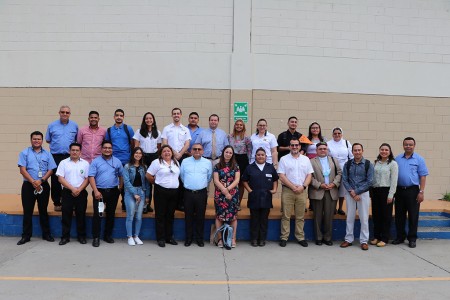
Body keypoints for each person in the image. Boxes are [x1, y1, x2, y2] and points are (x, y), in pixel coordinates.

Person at [17, 131, 57, 245]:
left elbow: (51, 170)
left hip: (43, 185)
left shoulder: (48, 154)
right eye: (34, 139)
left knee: (43, 210)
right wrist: (33, 181)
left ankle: (46, 234)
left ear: (42, 140)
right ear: (31, 140)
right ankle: (26, 236)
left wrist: (41, 180)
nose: (36, 141)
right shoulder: (24, 153)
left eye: (39, 139)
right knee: (28, 211)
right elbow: (22, 170)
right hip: (28, 186)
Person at [393, 137, 428, 248]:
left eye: (410, 144)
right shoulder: (397, 159)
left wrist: (421, 191)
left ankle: (412, 238)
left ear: (414, 145)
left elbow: (423, 176)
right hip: (399, 190)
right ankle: (400, 237)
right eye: (406, 144)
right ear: (403, 145)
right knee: (399, 215)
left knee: (413, 215)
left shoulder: (419, 159)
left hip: (413, 191)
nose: (408, 146)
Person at [277, 138, 313, 247]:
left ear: (300, 146)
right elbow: (281, 176)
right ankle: (284, 237)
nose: (294, 147)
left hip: (302, 191)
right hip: (288, 191)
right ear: (289, 146)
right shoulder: (283, 159)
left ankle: (300, 237)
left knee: (300, 216)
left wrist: (303, 186)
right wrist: (293, 187)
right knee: (286, 216)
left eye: (296, 145)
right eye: (292, 145)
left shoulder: (306, 159)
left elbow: (309, 175)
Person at [88, 140, 124, 247]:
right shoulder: (95, 161)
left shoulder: (117, 161)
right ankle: (96, 237)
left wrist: (120, 188)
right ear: (101, 149)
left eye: (109, 148)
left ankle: (108, 235)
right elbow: (91, 177)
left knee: (111, 214)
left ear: (112, 149)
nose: (107, 150)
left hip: (113, 192)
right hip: (100, 192)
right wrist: (95, 191)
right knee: (98, 215)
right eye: (105, 148)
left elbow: (121, 175)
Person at [340, 143, 374, 251]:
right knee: (349, 217)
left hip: (363, 194)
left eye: (359, 150)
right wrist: (352, 192)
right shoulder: (348, 164)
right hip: (350, 194)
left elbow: (370, 181)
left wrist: (357, 192)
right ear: (352, 152)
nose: (357, 152)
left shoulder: (368, 164)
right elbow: (344, 179)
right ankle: (348, 239)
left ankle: (364, 241)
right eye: (355, 150)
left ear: (362, 151)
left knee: (364, 218)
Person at [241, 148, 278, 247]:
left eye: (262, 155)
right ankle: (253, 239)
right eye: (258, 155)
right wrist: (250, 190)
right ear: (255, 156)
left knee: (264, 220)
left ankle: (262, 239)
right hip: (254, 197)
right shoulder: (250, 167)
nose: (260, 156)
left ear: (266, 156)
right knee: (254, 219)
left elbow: (275, 179)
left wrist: (274, 190)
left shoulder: (270, 167)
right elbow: (244, 180)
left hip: (266, 197)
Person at [56, 142, 90, 245]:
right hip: (67, 192)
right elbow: (60, 178)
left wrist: (79, 189)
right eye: (73, 150)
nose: (75, 152)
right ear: (69, 151)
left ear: (80, 152)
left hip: (81, 192)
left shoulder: (85, 163)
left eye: (77, 150)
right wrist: (72, 189)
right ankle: (65, 237)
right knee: (66, 215)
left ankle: (82, 236)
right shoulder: (63, 163)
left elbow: (88, 179)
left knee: (81, 215)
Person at [308, 142, 342, 246]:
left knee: (329, 216)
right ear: (316, 150)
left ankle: (327, 238)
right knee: (317, 216)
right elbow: (309, 176)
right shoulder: (311, 161)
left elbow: (339, 173)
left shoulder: (333, 160)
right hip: (317, 191)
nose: (323, 150)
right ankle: (318, 238)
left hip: (331, 191)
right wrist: (319, 185)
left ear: (327, 150)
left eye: (324, 148)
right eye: (320, 149)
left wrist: (334, 183)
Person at [45, 105, 78, 211]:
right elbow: (48, 140)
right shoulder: (52, 125)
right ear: (59, 113)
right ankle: (57, 202)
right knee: (55, 179)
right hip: (55, 156)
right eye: (62, 112)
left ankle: (69, 200)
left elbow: (76, 140)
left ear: (70, 114)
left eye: (67, 112)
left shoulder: (74, 126)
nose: (65, 114)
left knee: (70, 178)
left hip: (69, 156)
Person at [146, 145, 180, 247]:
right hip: (161, 191)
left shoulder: (176, 162)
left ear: (172, 152)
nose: (167, 153)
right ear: (161, 153)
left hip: (174, 192)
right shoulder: (156, 162)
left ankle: (169, 237)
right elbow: (148, 175)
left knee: (170, 215)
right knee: (160, 215)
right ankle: (160, 238)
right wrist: (156, 182)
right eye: (164, 151)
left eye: (168, 151)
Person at [180, 143, 212, 247]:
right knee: (188, 216)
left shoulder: (207, 162)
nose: (197, 151)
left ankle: (199, 239)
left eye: (199, 149)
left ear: (203, 151)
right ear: (191, 150)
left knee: (200, 217)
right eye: (195, 149)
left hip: (201, 193)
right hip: (188, 193)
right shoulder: (185, 161)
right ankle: (188, 238)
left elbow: (209, 177)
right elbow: (182, 176)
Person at [161, 108, 191, 211]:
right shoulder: (166, 128)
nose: (176, 115)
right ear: (172, 115)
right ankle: (172, 203)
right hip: (170, 157)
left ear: (181, 115)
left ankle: (180, 203)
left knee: (181, 179)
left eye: (178, 113)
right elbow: (165, 143)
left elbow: (187, 143)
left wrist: (180, 154)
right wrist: (174, 153)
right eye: (174, 114)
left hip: (182, 157)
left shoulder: (185, 129)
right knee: (172, 178)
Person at [105, 109, 134, 212]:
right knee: (111, 181)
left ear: (123, 117)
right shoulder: (109, 130)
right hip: (113, 160)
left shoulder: (128, 129)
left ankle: (125, 203)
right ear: (114, 117)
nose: (119, 117)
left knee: (126, 182)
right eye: (117, 115)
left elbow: (132, 143)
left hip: (126, 159)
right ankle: (108, 203)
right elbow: (107, 145)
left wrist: (131, 157)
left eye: (121, 115)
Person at [370, 143, 398, 247]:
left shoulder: (393, 164)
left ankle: (384, 238)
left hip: (386, 191)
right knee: (376, 215)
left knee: (386, 216)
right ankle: (376, 236)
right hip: (376, 191)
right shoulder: (376, 163)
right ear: (379, 150)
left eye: (386, 150)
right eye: (382, 149)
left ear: (390, 152)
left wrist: (391, 195)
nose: (384, 151)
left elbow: (394, 181)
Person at [133, 112, 161, 213]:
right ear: (144, 120)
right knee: (143, 181)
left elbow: (159, 148)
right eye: (146, 118)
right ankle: (143, 204)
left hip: (153, 157)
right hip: (143, 157)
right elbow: (136, 146)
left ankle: (148, 204)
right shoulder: (139, 132)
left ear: (153, 120)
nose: (148, 120)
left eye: (150, 118)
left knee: (152, 181)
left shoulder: (157, 132)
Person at [213, 145, 240, 248]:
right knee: (219, 216)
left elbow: (237, 180)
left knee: (233, 217)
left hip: (232, 194)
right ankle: (220, 239)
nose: (228, 154)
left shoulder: (236, 166)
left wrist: (228, 190)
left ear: (232, 155)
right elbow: (216, 180)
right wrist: (224, 191)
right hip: (220, 194)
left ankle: (233, 238)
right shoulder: (217, 166)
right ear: (223, 152)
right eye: (226, 152)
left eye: (230, 153)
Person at [123, 147, 150, 246]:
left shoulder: (144, 167)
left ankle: (136, 236)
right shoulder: (127, 166)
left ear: (142, 155)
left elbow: (147, 183)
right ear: (133, 154)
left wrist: (147, 196)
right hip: (130, 193)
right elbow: (126, 182)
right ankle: (129, 236)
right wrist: (134, 193)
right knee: (130, 215)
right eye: (136, 153)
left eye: (140, 153)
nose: (138, 155)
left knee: (139, 217)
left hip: (141, 192)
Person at [327, 127, 353, 216]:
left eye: (339, 133)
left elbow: (351, 156)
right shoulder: (328, 143)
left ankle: (340, 208)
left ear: (342, 134)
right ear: (332, 134)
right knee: (334, 187)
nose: (337, 135)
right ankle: (333, 207)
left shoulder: (346, 143)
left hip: (344, 167)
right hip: (332, 167)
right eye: (335, 133)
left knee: (342, 188)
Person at [228, 119, 252, 210]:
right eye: (237, 124)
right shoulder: (229, 137)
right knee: (230, 181)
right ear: (234, 126)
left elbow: (249, 151)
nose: (239, 126)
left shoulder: (246, 138)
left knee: (240, 182)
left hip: (243, 160)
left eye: (241, 125)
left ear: (243, 126)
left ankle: (238, 203)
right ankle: (230, 201)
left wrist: (249, 163)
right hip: (232, 159)